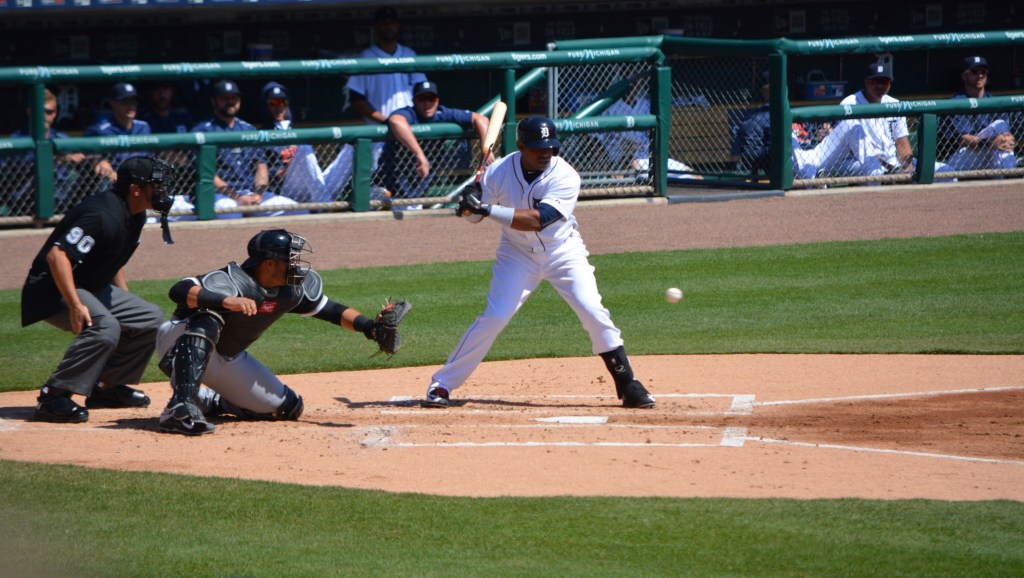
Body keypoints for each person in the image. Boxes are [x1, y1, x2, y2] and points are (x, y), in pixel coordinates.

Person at [421, 116, 656, 410]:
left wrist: (486, 207)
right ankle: (441, 384)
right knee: (495, 316)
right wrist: (471, 205)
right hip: (516, 255)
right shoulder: (497, 171)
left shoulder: (566, 176)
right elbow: (476, 217)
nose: (546, 153)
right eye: (538, 148)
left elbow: (539, 220)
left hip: (563, 252)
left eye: (551, 147)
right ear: (521, 146)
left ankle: (628, 383)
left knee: (591, 309)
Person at [154, 229, 388, 435]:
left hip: (226, 357)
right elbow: (179, 290)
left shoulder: (290, 291)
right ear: (269, 263)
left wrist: (369, 328)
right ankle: (179, 406)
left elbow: (332, 310)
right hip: (177, 345)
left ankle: (208, 402)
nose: (296, 266)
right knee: (209, 316)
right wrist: (225, 301)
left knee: (287, 407)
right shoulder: (232, 281)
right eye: (290, 260)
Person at [21, 156, 178, 423]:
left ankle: (107, 388)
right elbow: (57, 256)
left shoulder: (134, 213)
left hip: (90, 286)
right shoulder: (101, 215)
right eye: (157, 185)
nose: (163, 191)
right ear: (136, 189)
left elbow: (112, 258)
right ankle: (53, 396)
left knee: (148, 318)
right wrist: (74, 304)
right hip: (52, 288)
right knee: (104, 326)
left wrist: (126, 297)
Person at [794, 63, 952, 182]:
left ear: (890, 83)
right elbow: (851, 147)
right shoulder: (850, 102)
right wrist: (888, 168)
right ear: (866, 81)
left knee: (948, 172)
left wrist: (907, 168)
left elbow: (902, 143)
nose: (879, 85)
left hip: (892, 161)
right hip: (855, 162)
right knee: (873, 170)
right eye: (875, 81)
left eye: (884, 81)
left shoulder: (895, 104)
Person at [190, 79, 300, 218]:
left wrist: (258, 195)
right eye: (225, 98)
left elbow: (261, 166)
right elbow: (208, 175)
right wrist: (237, 197)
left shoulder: (248, 129)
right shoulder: (203, 130)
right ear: (214, 101)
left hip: (249, 193)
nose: (230, 101)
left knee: (297, 210)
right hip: (220, 195)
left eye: (234, 98)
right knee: (230, 214)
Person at [378, 81, 491, 208]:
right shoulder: (410, 112)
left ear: (437, 100)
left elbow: (481, 119)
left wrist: (487, 149)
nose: (427, 103)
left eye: (431, 98)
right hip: (387, 184)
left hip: (417, 187)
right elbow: (395, 121)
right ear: (414, 101)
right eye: (422, 99)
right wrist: (419, 155)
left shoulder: (442, 113)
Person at [2, 88, 90, 215]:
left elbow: (86, 157)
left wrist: (97, 161)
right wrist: (58, 160)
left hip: (62, 200)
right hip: (22, 200)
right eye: (40, 111)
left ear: (55, 114)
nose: (44, 116)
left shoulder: (63, 139)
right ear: (30, 111)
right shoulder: (16, 140)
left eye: (49, 112)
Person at [258, 81, 345, 204]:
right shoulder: (261, 135)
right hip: (287, 190)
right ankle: (324, 204)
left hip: (316, 188)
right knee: (303, 148)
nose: (278, 107)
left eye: (282, 102)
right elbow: (260, 171)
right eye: (273, 102)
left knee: (350, 150)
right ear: (265, 105)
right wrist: (281, 171)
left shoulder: (295, 130)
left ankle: (372, 192)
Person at [600, 79, 702, 181]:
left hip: (651, 158)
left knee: (696, 177)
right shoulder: (610, 107)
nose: (635, 86)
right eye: (632, 82)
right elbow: (597, 141)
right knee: (638, 169)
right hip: (627, 161)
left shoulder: (645, 104)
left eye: (638, 82)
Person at [941, 56, 1017, 172]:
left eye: (983, 72)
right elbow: (964, 140)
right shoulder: (956, 102)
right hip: (963, 157)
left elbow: (1005, 135)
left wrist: (1006, 140)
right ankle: (1010, 172)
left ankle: (1007, 176)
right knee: (999, 127)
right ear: (964, 76)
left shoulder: (993, 102)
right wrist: (991, 143)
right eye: (974, 72)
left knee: (1001, 126)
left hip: (992, 153)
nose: (980, 75)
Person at [85, 83, 154, 186]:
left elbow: (150, 157)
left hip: (142, 179)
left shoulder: (144, 127)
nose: (131, 106)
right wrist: (100, 161)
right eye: (125, 101)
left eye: (133, 101)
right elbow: (89, 157)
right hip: (115, 181)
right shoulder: (101, 129)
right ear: (113, 103)